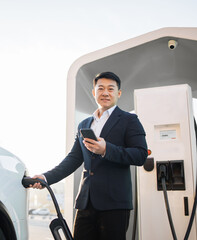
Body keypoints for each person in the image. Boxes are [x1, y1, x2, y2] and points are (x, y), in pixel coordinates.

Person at [31, 71, 148, 240]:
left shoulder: (129, 120)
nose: (105, 93)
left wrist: (106, 149)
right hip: (86, 203)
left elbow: (140, 155)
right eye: (100, 88)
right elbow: (73, 160)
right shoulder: (84, 124)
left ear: (119, 93)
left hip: (114, 204)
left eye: (110, 89)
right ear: (94, 92)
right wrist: (45, 178)